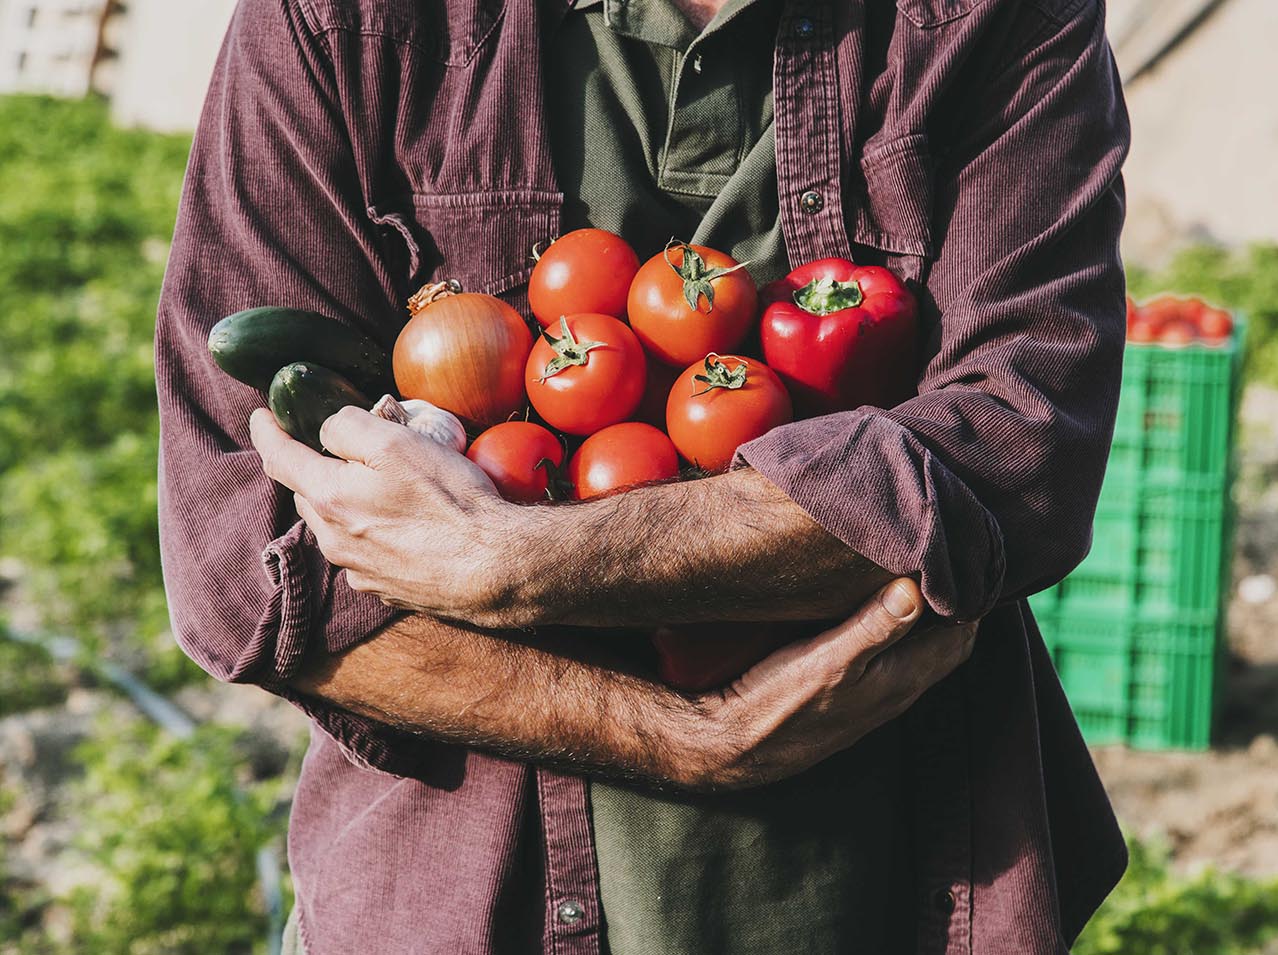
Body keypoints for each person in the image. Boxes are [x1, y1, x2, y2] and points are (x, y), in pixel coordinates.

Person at [155, 0, 1132, 952]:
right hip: (456, 895)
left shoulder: (991, 17)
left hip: (891, 875)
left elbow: (1016, 454)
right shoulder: (347, 18)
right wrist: (689, 736)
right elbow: (246, 573)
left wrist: (509, 559)